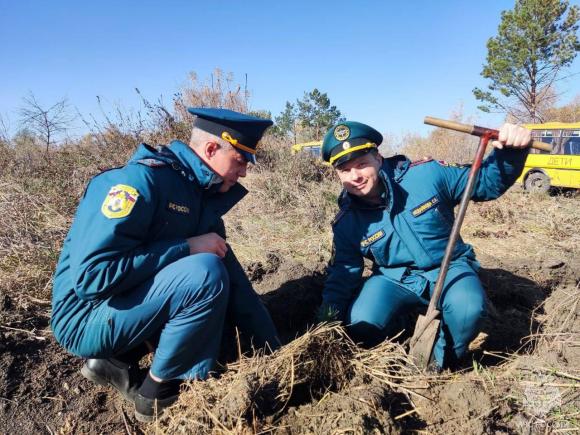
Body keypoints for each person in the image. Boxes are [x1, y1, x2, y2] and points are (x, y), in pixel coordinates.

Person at [51, 108, 281, 422]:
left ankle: (114, 361)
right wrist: (186, 247)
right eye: (240, 161)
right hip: (85, 317)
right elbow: (93, 279)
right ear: (212, 149)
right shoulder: (138, 182)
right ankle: (156, 392)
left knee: (220, 299)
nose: (243, 173)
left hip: (122, 309)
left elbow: (237, 284)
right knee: (204, 275)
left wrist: (274, 349)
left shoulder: (199, 198)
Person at [317, 120, 532, 371]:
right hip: (394, 278)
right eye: (344, 170)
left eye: (362, 164)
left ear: (377, 157)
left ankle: (438, 362)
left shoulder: (427, 174)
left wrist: (511, 153)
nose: (355, 176)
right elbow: (343, 274)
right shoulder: (347, 222)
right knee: (362, 325)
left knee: (467, 309)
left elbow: (485, 183)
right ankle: (404, 323)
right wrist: (326, 321)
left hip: (448, 265)